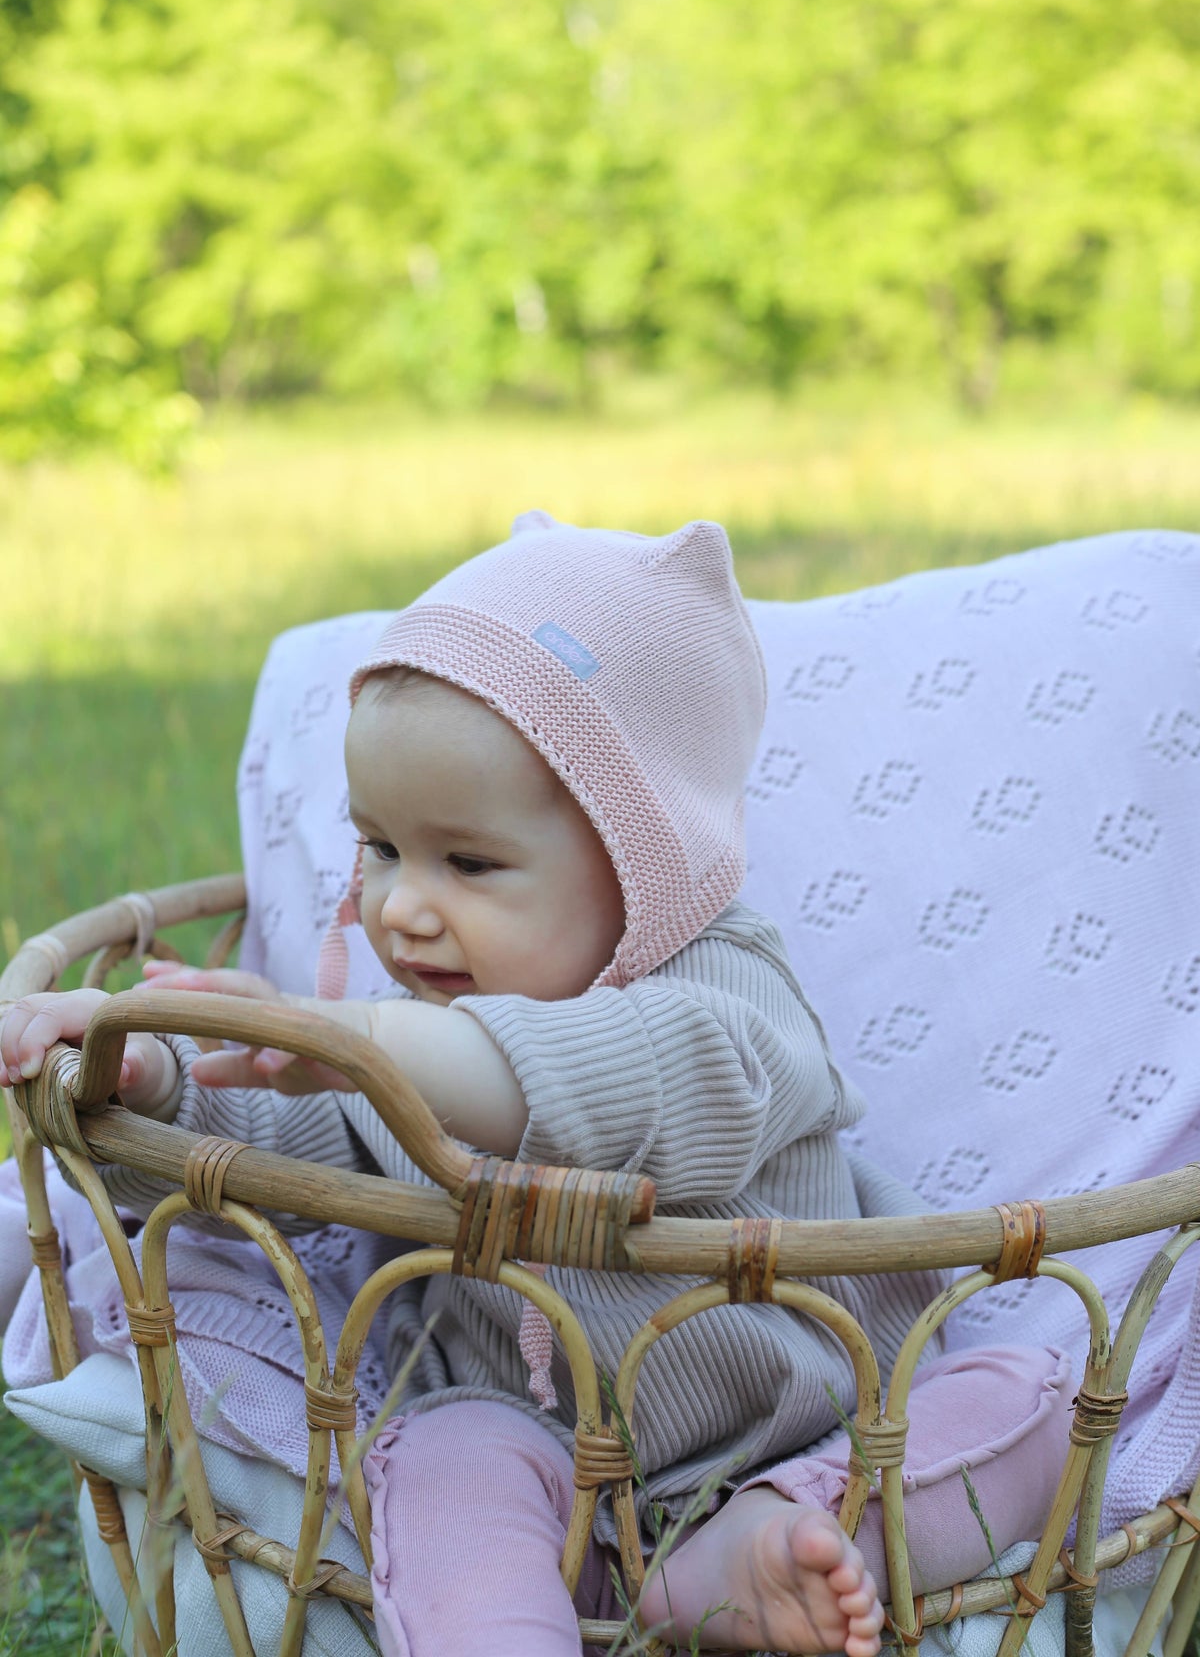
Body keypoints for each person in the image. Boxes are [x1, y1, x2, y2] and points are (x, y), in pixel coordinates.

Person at [1, 514, 1073, 1657]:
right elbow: (296, 1140)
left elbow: (615, 1081)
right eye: (380, 850)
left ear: (641, 850)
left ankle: (785, 1542)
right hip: (538, 1448)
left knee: (1026, 1399)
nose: (402, 907)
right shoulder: (416, 1023)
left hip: (811, 1423)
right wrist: (165, 1066)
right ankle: (539, 1619)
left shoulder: (732, 998)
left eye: (467, 862)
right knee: (442, 1464)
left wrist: (357, 1040)